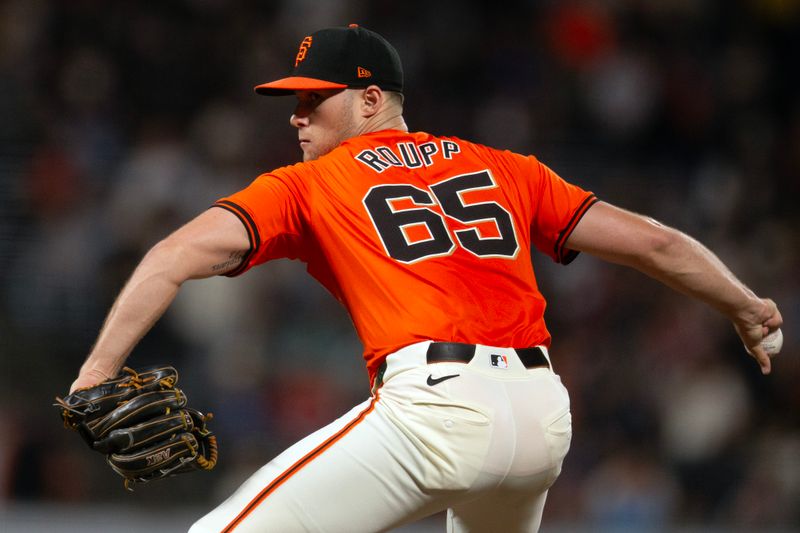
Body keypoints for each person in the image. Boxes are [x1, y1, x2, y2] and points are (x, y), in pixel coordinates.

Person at [68, 24, 783, 532]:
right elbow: (656, 244)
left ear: (371, 100)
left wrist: (96, 373)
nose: (296, 117)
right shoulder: (507, 166)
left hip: (435, 411)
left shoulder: (311, 183)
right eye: (293, 101)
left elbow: (171, 255)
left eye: (313, 100)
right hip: (541, 418)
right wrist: (745, 305)